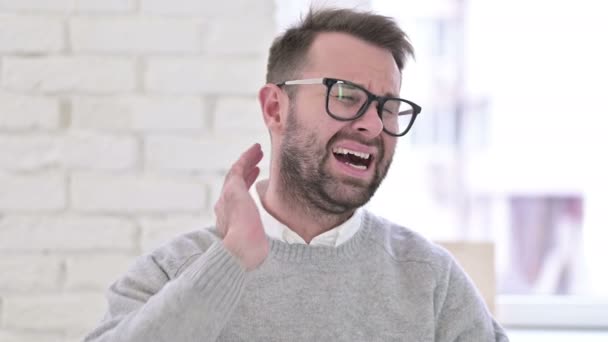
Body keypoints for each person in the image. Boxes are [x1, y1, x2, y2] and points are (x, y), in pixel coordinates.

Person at [84, 8, 509, 342]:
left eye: (388, 107)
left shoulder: (430, 278)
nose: (374, 126)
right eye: (345, 96)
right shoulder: (176, 270)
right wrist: (230, 263)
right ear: (274, 108)